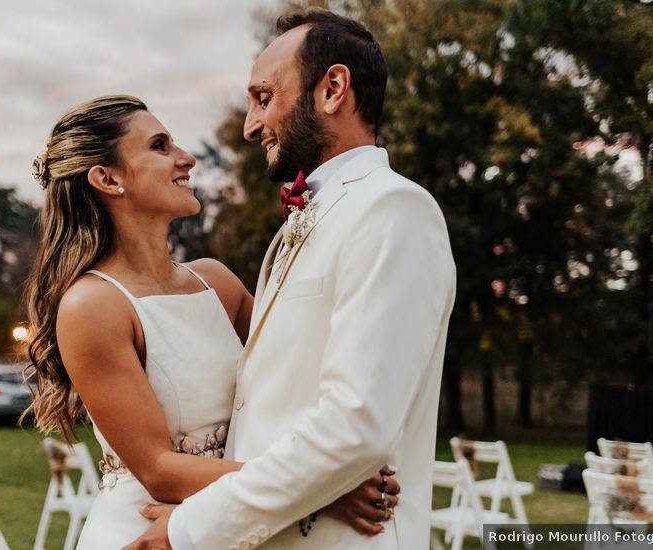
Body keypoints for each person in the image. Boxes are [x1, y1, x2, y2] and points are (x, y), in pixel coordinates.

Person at [127, 8, 456, 550]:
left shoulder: (395, 210)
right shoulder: (301, 226)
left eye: (263, 97)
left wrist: (192, 529)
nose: (251, 126)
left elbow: (356, 427)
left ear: (332, 89)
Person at [22, 95, 399, 549]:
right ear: (108, 178)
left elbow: (300, 370)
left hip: (229, 524)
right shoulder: (93, 306)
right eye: (160, 146)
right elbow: (158, 469)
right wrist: (322, 491)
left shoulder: (216, 283)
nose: (187, 158)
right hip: (145, 530)